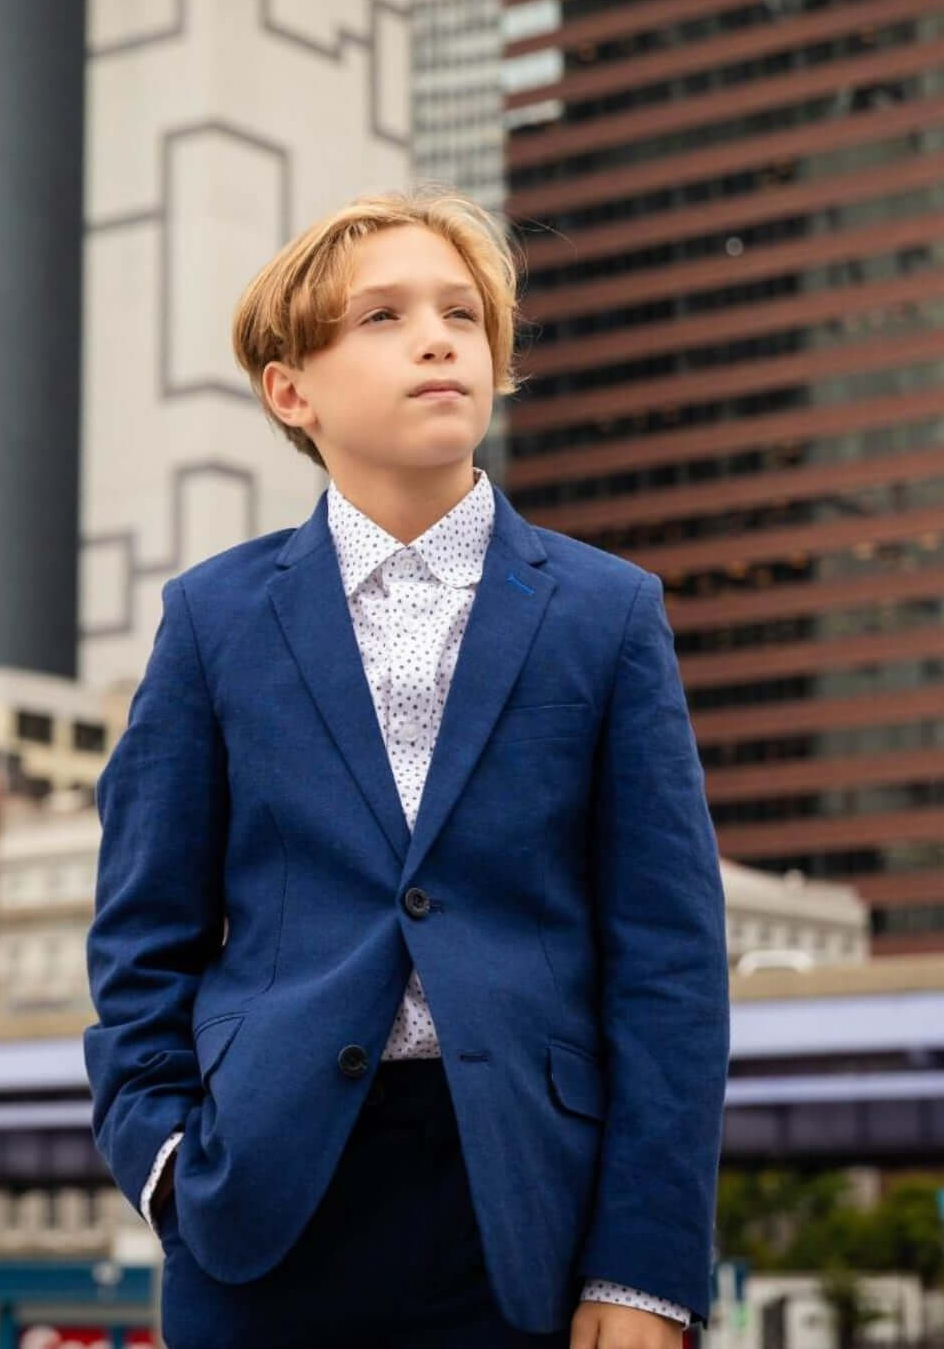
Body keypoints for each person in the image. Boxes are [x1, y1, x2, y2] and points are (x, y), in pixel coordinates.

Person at [83, 185, 730, 1348]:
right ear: (293, 390)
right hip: (263, 1202)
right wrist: (167, 1159)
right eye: (381, 318)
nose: (438, 336)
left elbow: (669, 966)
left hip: (527, 1205)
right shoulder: (213, 619)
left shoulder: (608, 614)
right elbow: (142, 932)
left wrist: (645, 1270)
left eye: (463, 315)